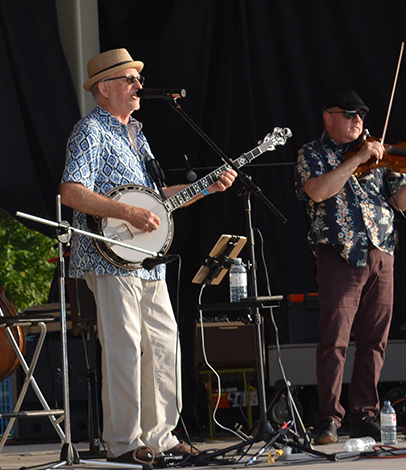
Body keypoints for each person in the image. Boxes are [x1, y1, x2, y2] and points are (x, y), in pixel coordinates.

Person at [60, 48, 234, 464]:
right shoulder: (90, 131)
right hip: (108, 255)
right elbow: (72, 191)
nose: (139, 85)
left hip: (145, 257)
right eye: (129, 79)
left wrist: (205, 188)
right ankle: (123, 443)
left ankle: (161, 436)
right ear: (105, 88)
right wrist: (126, 212)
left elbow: (154, 202)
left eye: (138, 79)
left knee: (163, 342)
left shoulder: (137, 134)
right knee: (123, 345)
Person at [296, 87, 406, 444]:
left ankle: (365, 414)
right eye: (349, 115)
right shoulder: (313, 153)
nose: (357, 121)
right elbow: (318, 192)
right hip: (340, 254)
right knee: (334, 339)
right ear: (328, 117)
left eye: (360, 115)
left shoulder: (378, 154)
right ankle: (329, 418)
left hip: (382, 251)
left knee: (374, 340)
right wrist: (356, 159)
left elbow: (400, 201)